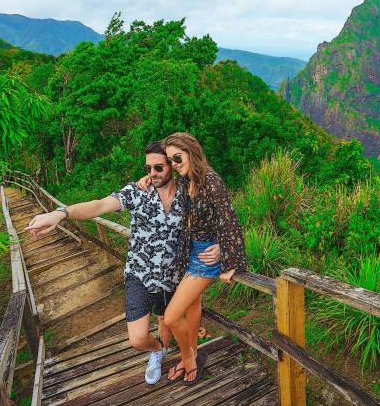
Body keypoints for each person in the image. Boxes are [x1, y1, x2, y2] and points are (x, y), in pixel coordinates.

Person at [23, 141, 220, 385]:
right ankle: (156, 351)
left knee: (164, 320)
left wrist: (220, 245)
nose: (152, 174)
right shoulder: (137, 192)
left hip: (173, 275)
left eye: (158, 168)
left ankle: (167, 350)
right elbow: (100, 205)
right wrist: (60, 214)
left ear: (172, 165)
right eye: (147, 168)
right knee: (138, 338)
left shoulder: (187, 192)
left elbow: (212, 217)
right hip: (140, 273)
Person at [140, 132, 248, 385]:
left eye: (178, 158)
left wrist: (228, 255)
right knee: (191, 306)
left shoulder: (211, 181)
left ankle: (189, 359)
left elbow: (229, 219)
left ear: (191, 151)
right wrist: (147, 177)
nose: (175, 164)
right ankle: (194, 353)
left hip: (205, 258)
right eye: (170, 160)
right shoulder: (189, 180)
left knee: (171, 316)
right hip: (190, 253)